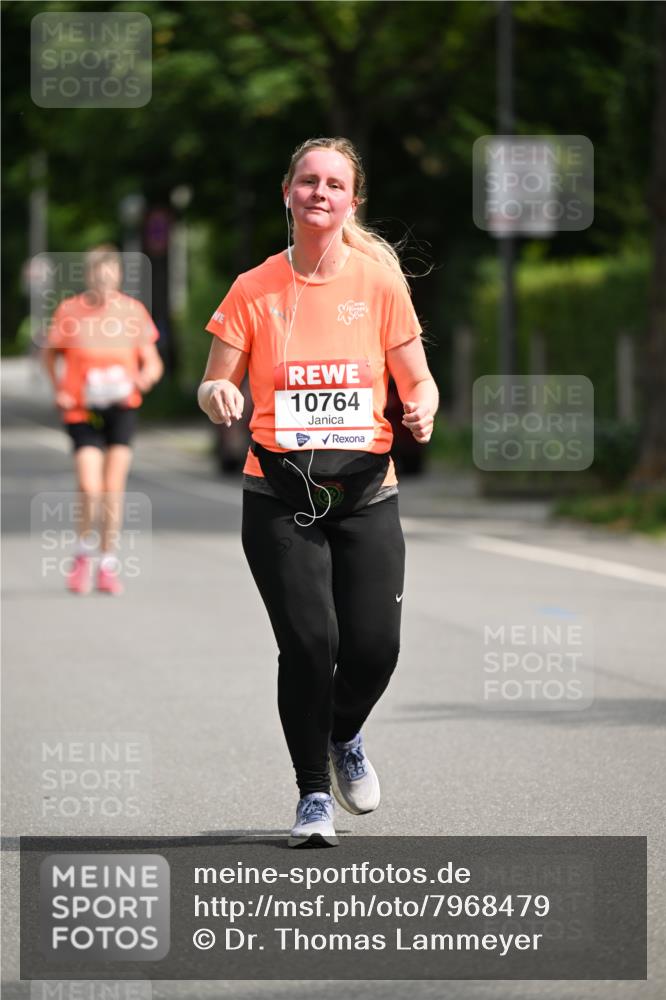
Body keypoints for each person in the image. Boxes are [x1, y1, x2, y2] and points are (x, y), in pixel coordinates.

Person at [198, 137, 439, 847]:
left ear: (351, 201)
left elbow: (415, 378)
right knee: (310, 644)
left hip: (366, 490)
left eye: (335, 184)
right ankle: (311, 796)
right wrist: (216, 393)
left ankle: (343, 736)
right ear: (287, 192)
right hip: (279, 493)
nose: (320, 194)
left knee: (373, 649)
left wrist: (423, 405)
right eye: (308, 181)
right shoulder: (253, 288)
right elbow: (217, 378)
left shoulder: (378, 284)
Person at [42, 244, 164, 596]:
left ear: (119, 277)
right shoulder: (70, 311)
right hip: (82, 408)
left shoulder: (133, 312)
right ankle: (83, 554)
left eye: (111, 274)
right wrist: (59, 389)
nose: (104, 280)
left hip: (121, 407)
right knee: (90, 486)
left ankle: (107, 563)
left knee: (112, 489)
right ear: (89, 276)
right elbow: (50, 357)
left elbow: (152, 362)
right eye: (98, 274)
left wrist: (144, 379)